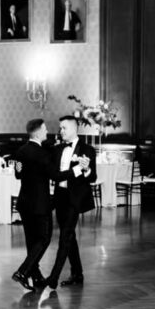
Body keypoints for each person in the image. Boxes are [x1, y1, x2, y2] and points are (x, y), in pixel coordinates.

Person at [43, 115, 96, 289]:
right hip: (60, 197)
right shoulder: (57, 149)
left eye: (64, 128)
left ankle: (53, 276)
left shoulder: (87, 149)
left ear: (74, 129)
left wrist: (86, 169)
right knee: (69, 236)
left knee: (65, 236)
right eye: (61, 128)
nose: (61, 131)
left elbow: (93, 177)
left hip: (75, 199)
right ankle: (77, 273)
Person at [12, 118, 54, 291]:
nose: (47, 131)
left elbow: (18, 174)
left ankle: (36, 277)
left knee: (32, 241)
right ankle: (23, 271)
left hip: (24, 202)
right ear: (37, 132)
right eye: (45, 129)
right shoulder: (42, 153)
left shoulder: (20, 151)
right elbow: (53, 174)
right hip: (40, 203)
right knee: (44, 238)